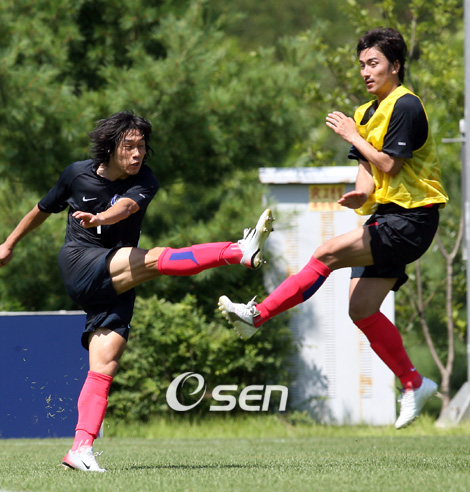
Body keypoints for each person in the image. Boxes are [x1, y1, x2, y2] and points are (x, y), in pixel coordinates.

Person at [0, 111, 274, 472]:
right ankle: (237, 251)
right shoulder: (76, 174)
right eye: (129, 146)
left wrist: (102, 217)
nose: (137, 154)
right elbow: (41, 209)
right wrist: (8, 244)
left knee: (104, 365)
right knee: (157, 258)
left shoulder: (145, 180)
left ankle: (80, 449)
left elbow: (127, 207)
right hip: (81, 262)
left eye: (141, 146)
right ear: (110, 147)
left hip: (117, 277)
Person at [218, 27, 448, 430]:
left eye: (373, 63)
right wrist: (361, 195)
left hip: (413, 218)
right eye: (361, 64)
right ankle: (414, 383)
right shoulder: (364, 113)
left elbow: (391, 164)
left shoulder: (406, 105)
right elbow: (369, 173)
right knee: (361, 309)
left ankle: (257, 316)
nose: (365, 72)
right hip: (387, 216)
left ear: (396, 66)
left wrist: (352, 136)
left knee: (325, 253)